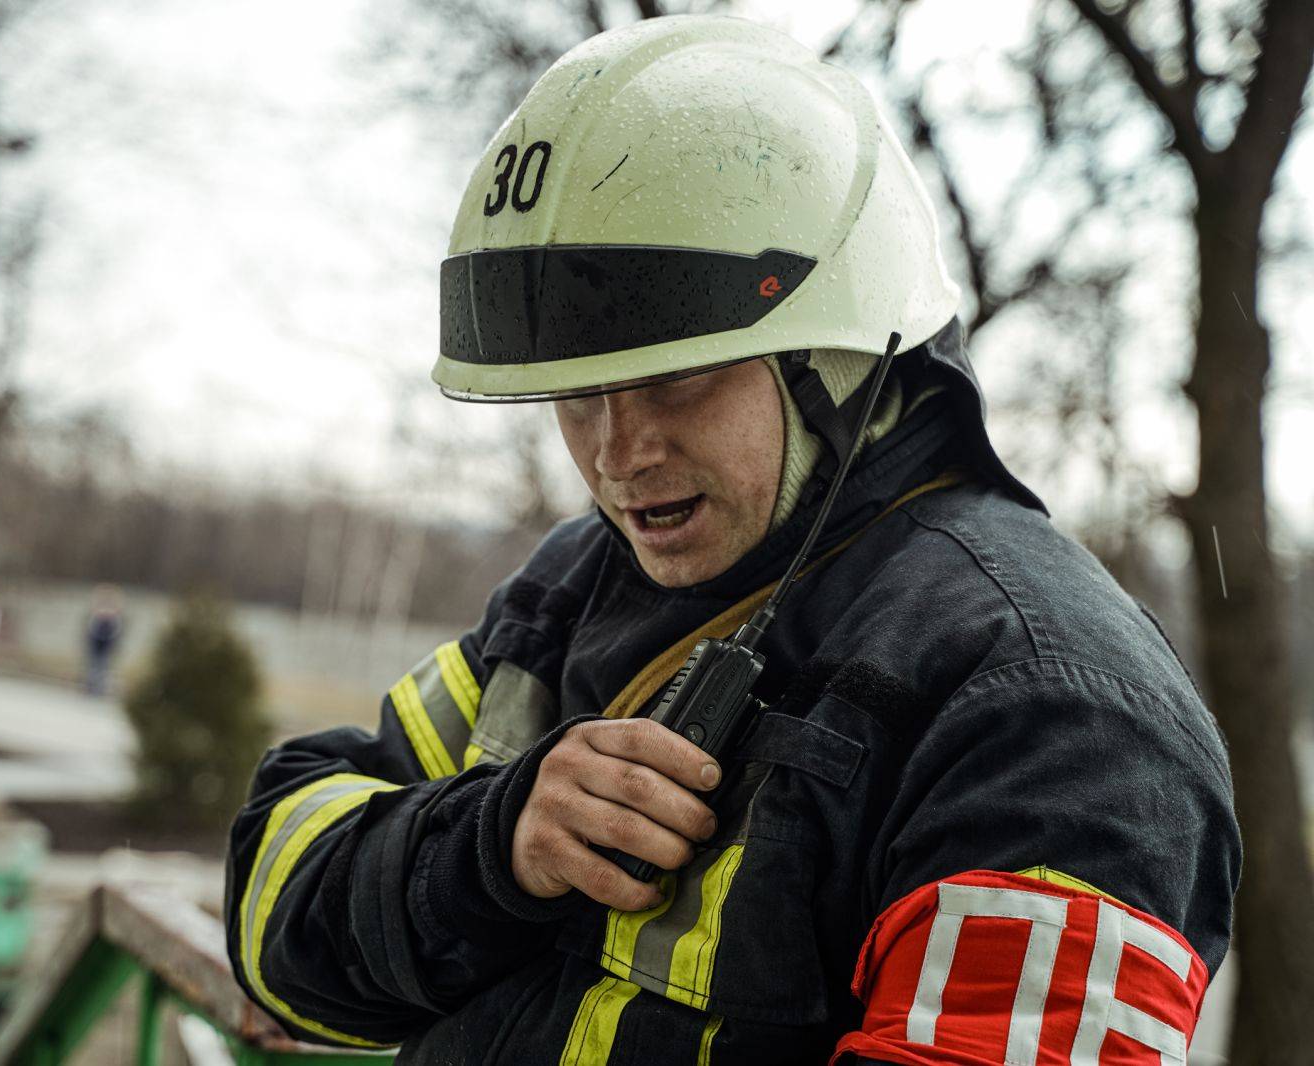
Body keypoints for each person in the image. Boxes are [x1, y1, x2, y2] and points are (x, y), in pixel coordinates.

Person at [224, 17, 1239, 1065]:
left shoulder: (1051, 712)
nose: (616, 454)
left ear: (832, 360)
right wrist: (491, 845)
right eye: (577, 397)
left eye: (674, 376)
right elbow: (274, 917)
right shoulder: (570, 589)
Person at [83, 584, 123, 697]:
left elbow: (115, 633)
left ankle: (99, 687)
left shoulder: (113, 620)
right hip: (96, 644)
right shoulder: (96, 618)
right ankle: (91, 686)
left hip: (106, 645)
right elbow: (91, 631)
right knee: (94, 665)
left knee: (103, 666)